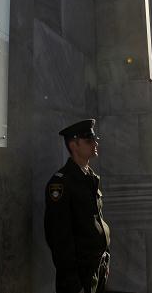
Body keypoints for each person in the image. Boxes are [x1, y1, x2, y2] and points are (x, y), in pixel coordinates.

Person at [44, 119, 111, 293]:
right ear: (74, 145)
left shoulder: (90, 176)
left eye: (95, 139)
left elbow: (98, 218)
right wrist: (73, 282)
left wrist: (105, 258)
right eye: (89, 140)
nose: (95, 143)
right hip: (78, 278)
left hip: (97, 269)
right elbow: (58, 238)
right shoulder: (61, 183)